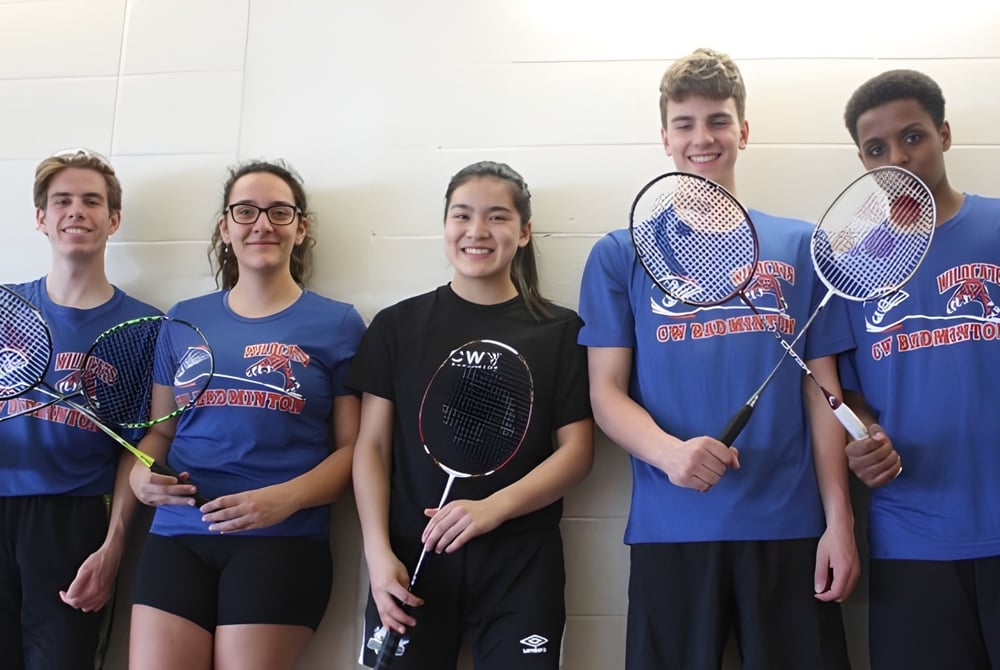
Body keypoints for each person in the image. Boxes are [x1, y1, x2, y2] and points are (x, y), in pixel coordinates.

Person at [578, 48, 858, 669]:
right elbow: (606, 391)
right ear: (664, 137)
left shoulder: (800, 244)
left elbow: (823, 392)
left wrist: (839, 522)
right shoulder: (618, 254)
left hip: (789, 530)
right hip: (671, 530)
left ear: (743, 130)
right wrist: (670, 453)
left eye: (717, 120)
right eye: (685, 123)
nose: (702, 138)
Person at [351, 160, 594, 669]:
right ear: (445, 227)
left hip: (521, 565)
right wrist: (377, 555)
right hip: (412, 561)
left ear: (524, 232)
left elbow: (577, 454)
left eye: (497, 217)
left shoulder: (561, 331)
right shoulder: (396, 327)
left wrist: (493, 508)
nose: (477, 231)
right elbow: (370, 449)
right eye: (462, 216)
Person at [126, 160, 365, 670]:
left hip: (282, 541)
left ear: (301, 229)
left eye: (280, 212)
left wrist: (283, 500)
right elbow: (159, 433)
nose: (262, 224)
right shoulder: (182, 319)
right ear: (225, 226)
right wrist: (139, 478)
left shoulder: (339, 324)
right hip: (177, 535)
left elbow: (355, 452)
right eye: (246, 211)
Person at [838, 69, 1000, 669]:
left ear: (945, 134)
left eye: (913, 137)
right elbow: (849, 395)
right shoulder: (848, 266)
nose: (898, 159)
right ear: (862, 160)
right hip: (914, 536)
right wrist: (864, 438)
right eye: (877, 149)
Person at [0, 149, 161, 669]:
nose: (77, 211)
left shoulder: (146, 329)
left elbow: (138, 450)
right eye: (62, 200)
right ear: (41, 219)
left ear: (112, 220)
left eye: (92, 201)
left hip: (74, 521)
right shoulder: (5, 306)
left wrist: (113, 550)